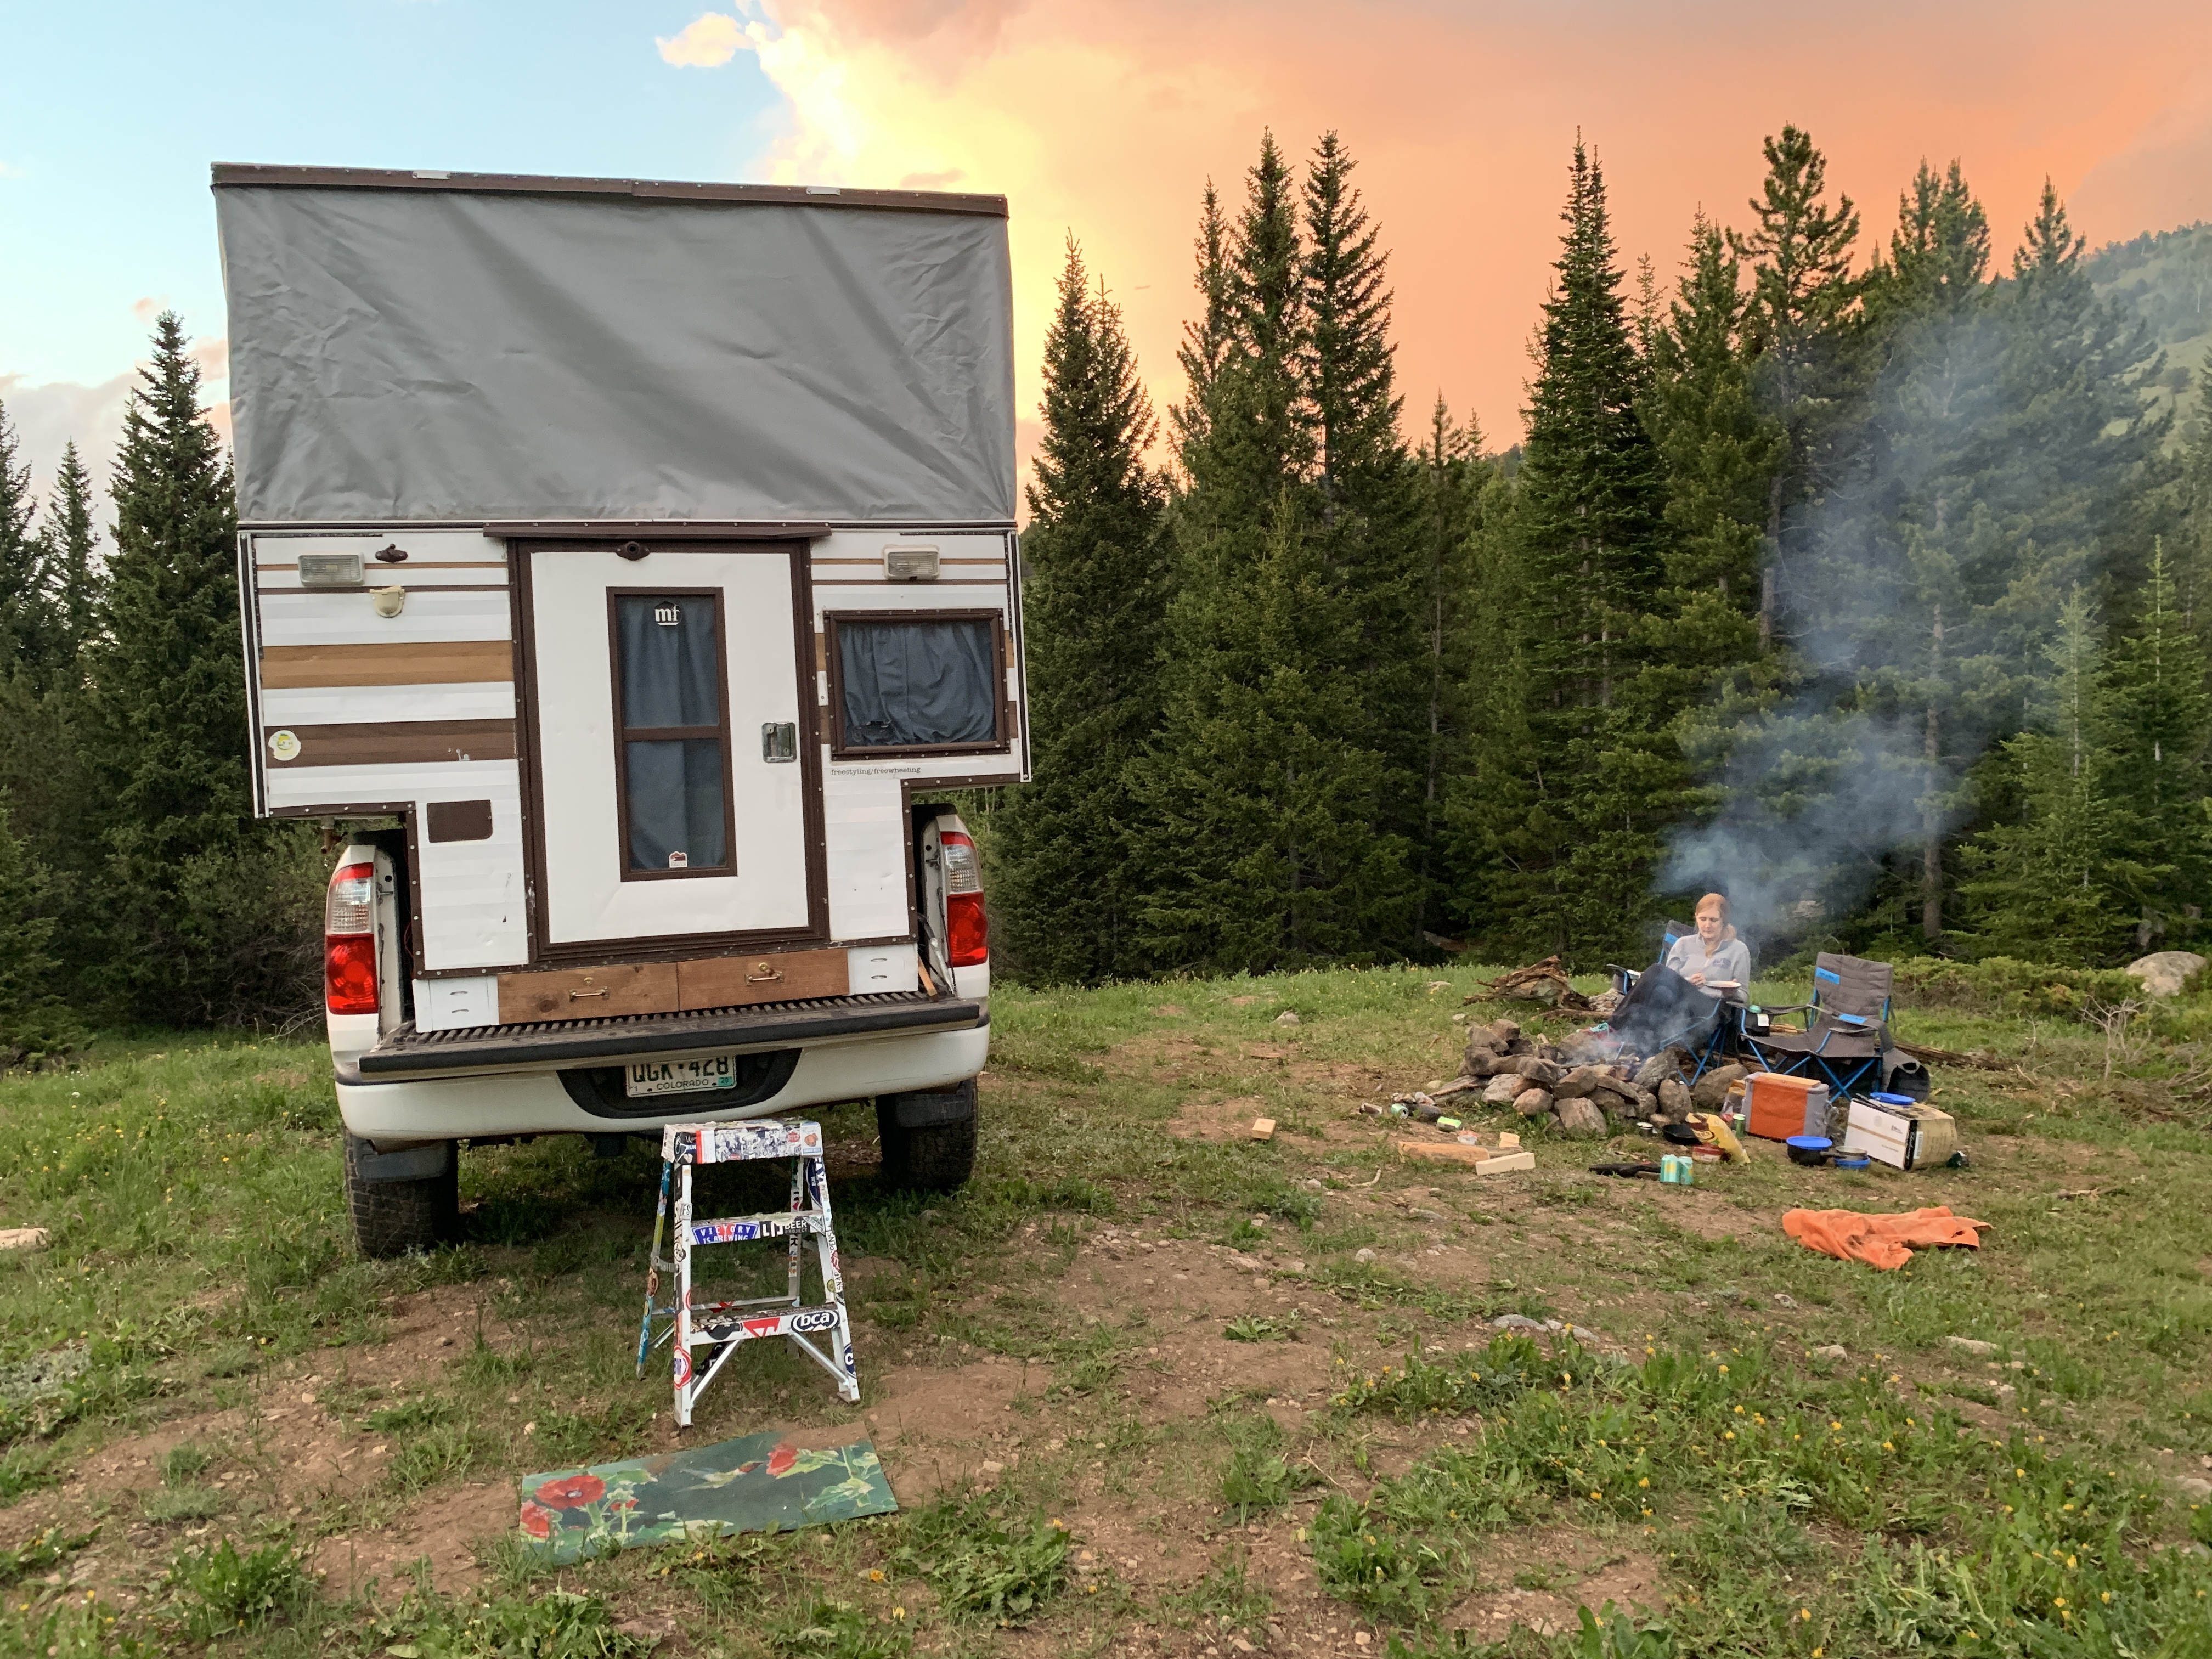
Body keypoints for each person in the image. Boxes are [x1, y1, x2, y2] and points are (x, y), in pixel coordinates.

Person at [1664, 893, 1751, 1001]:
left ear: (1724, 921)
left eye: (1713, 920)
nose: (1707, 925)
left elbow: (1744, 995)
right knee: (1655, 972)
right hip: (1678, 1003)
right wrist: (1688, 983)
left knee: (1654, 971)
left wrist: (1730, 994)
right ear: (1696, 917)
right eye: (1703, 919)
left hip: (1714, 1007)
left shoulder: (1738, 950)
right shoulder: (1682, 944)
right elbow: (1667, 983)